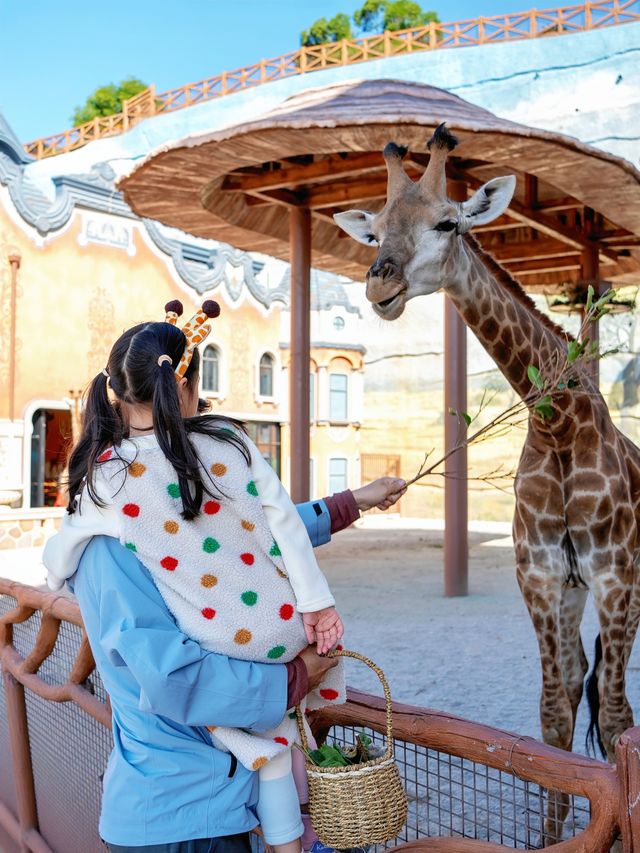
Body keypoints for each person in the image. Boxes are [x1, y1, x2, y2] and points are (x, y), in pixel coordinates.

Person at [44, 300, 406, 853]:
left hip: (200, 808)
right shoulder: (108, 549)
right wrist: (296, 678)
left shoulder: (120, 500)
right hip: (184, 821)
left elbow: (240, 532)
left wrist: (351, 502)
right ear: (183, 388)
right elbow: (172, 678)